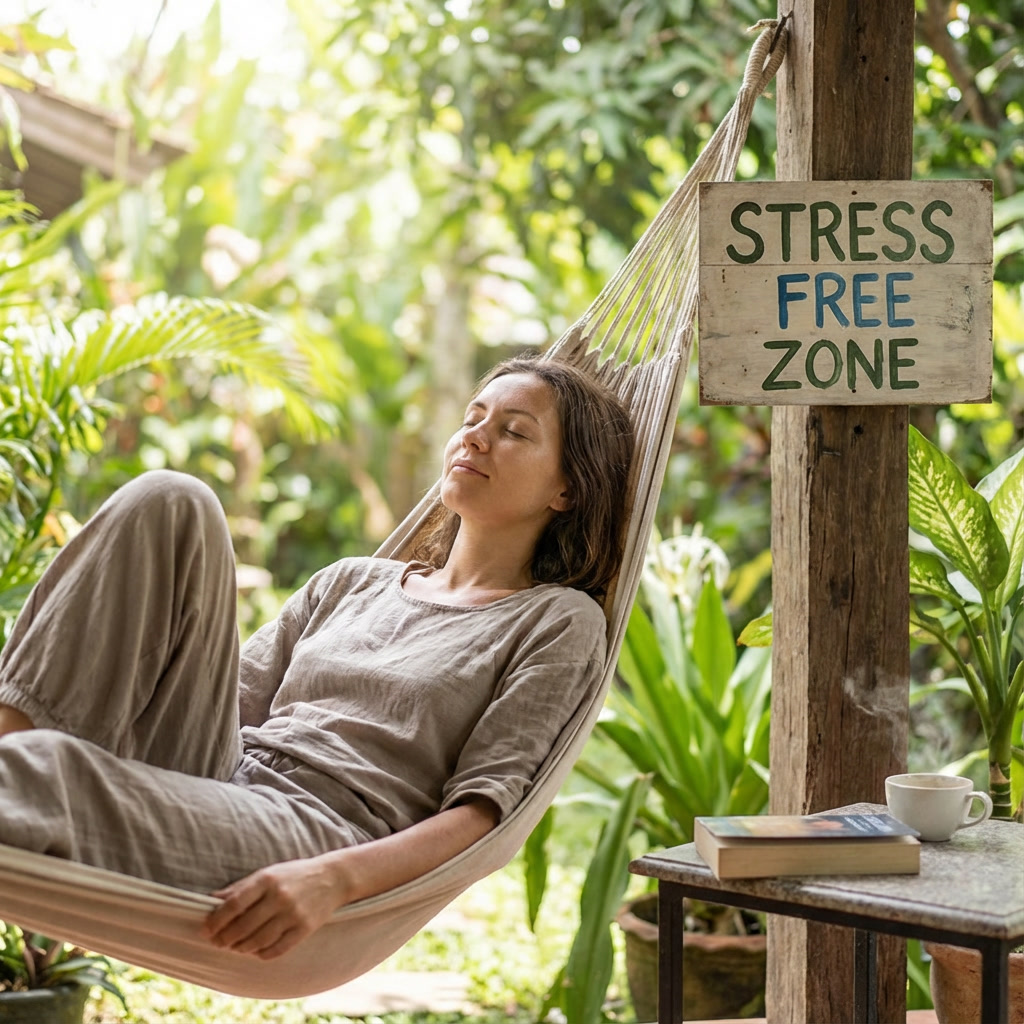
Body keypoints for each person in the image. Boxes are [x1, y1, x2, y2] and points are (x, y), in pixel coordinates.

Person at [0, 356, 634, 960]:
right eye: (472, 419)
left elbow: (484, 819)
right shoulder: (349, 581)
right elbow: (231, 703)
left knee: (50, 772)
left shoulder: (556, 621)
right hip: (226, 774)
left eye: (513, 432)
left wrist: (332, 880)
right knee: (173, 497)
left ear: (567, 489)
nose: (475, 438)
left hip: (317, 827)